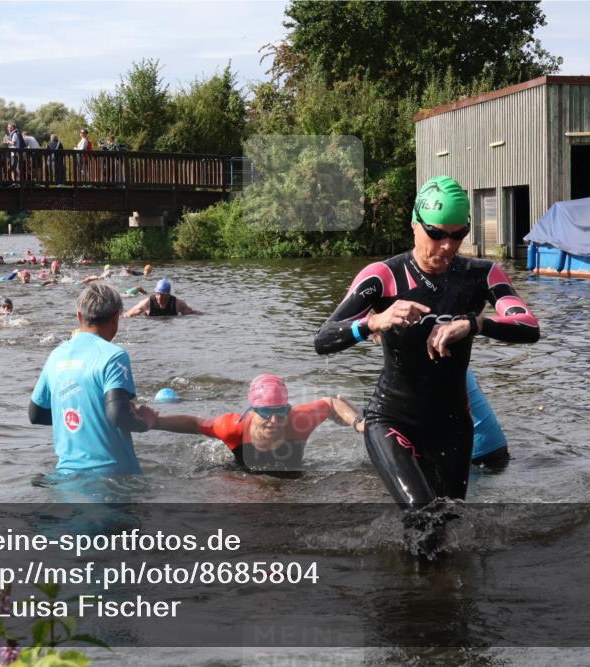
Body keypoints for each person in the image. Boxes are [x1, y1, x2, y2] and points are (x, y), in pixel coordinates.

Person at [314, 176, 539, 508]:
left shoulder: (482, 274)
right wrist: (374, 321)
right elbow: (324, 338)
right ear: (415, 225)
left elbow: (528, 326)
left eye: (458, 235)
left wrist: (475, 323)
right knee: (421, 513)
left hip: (452, 427)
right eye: (436, 234)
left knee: (447, 524)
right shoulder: (383, 276)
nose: (447, 246)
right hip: (392, 419)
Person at [29, 283, 156, 474]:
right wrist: (144, 423)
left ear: (79, 316)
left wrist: (82, 417)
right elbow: (117, 414)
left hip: (66, 477)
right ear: (115, 317)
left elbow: (35, 415)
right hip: (113, 477)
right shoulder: (114, 356)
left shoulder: (56, 355)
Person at [149, 374, 363, 474]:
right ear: (252, 411)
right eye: (266, 412)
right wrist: (155, 422)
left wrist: (358, 422)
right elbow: (195, 424)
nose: (274, 420)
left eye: (280, 412)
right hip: (242, 470)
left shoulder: (298, 420)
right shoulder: (232, 427)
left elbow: (330, 403)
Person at [123, 278, 197, 317]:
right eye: (157, 294)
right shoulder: (147, 303)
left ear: (168, 294)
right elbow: (127, 315)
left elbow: (192, 314)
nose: (159, 297)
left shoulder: (178, 304)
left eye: (163, 295)